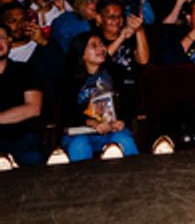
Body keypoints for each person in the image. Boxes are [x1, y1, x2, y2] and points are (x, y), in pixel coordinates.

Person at [60, 33, 140, 161]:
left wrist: (122, 120)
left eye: (102, 45)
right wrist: (91, 122)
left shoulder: (116, 73)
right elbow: (64, 112)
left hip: (112, 130)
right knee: (79, 146)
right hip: (80, 131)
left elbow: (130, 102)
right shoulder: (67, 79)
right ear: (82, 54)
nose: (101, 49)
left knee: (124, 140)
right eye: (94, 46)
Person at [0, 24, 45, 166]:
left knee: (33, 157)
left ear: (10, 41)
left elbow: (33, 108)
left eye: (2, 38)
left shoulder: (25, 71)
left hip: (23, 136)